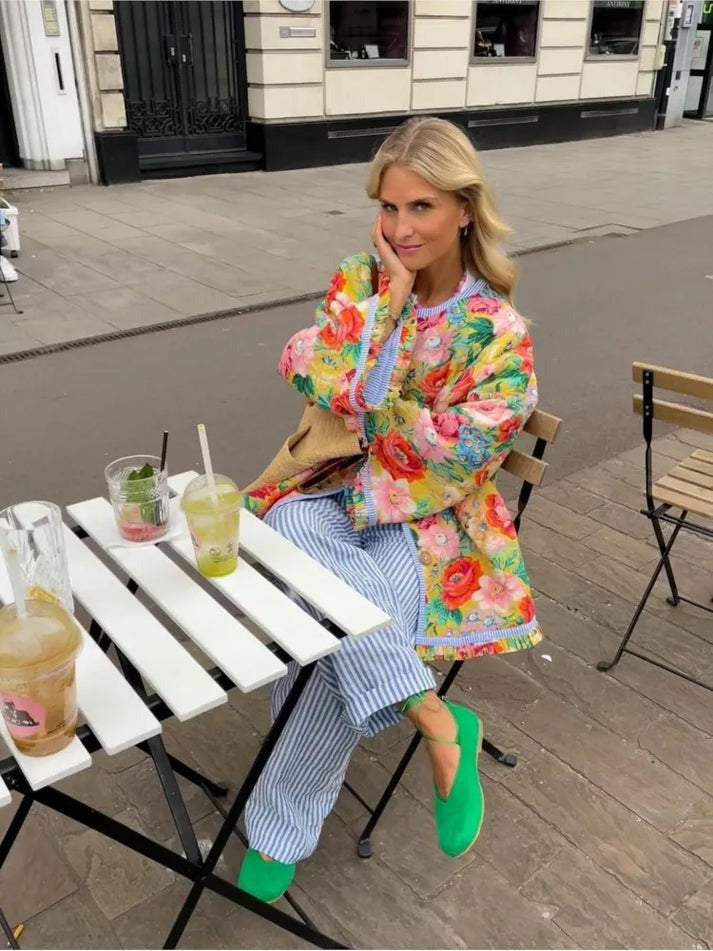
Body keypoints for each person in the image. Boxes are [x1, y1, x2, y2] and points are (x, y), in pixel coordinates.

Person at [239, 116, 541, 903]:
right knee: (290, 529)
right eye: (388, 208)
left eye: (422, 208)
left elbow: (467, 449)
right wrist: (388, 312)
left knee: (332, 629)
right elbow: (315, 372)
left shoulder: (497, 330)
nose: (399, 229)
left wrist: (388, 415)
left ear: (465, 209)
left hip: (429, 524)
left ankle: (279, 829)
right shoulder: (361, 281)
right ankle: (434, 717)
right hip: (334, 492)